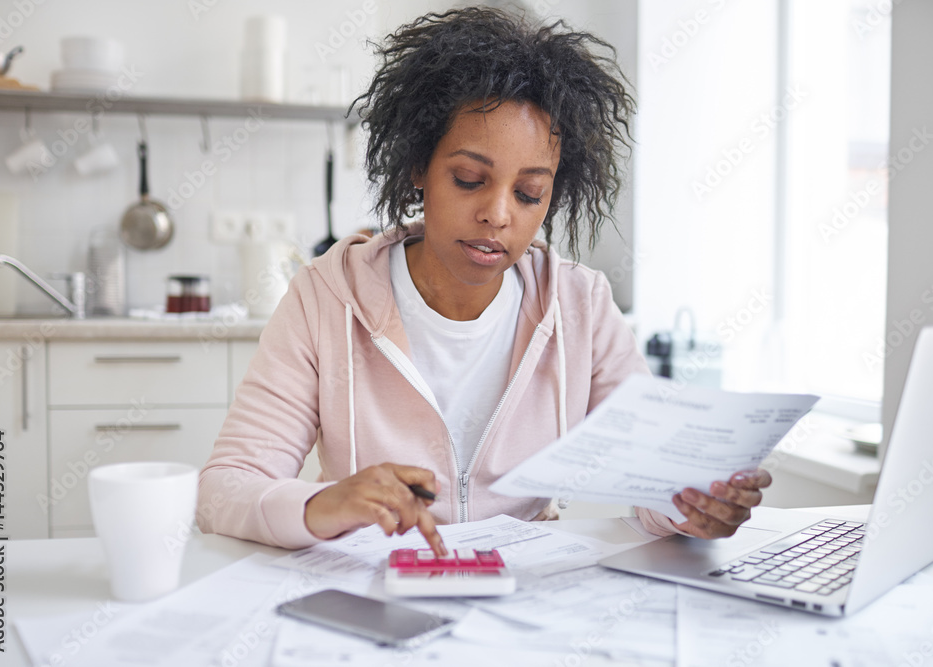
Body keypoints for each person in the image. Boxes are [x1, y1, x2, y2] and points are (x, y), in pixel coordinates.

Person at [197, 7, 771, 554]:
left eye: (529, 193)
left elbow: (655, 480)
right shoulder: (325, 298)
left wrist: (695, 505)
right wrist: (322, 504)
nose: (499, 214)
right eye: (470, 179)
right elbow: (225, 487)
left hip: (518, 592)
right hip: (374, 583)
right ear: (419, 167)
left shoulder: (581, 306)